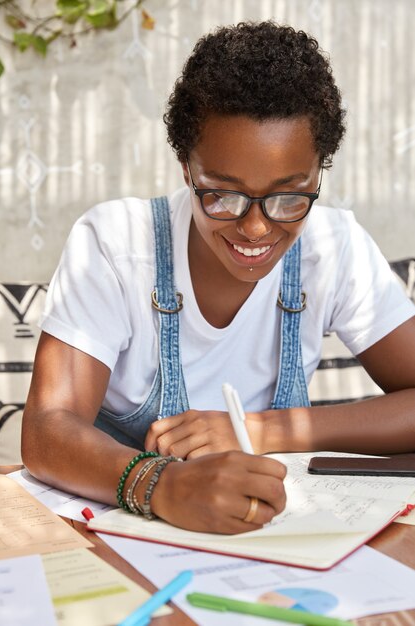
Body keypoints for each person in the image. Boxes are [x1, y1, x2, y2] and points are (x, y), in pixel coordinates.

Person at [22, 21, 415, 535]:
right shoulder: (116, 244)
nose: (255, 226)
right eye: (223, 194)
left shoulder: (332, 249)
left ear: (320, 172)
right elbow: (48, 430)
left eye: (290, 195)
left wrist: (257, 431)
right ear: (187, 167)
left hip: (263, 538)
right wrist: (161, 484)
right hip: (121, 535)